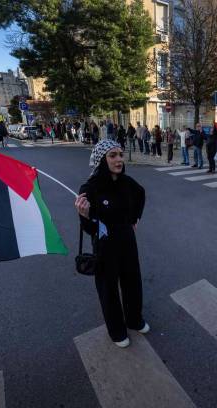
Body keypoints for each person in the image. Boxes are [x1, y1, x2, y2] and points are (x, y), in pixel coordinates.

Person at [75, 140, 148, 348]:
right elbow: (89, 229)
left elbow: (141, 194)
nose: (119, 160)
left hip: (127, 242)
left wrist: (134, 218)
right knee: (109, 290)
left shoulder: (127, 182)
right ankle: (116, 330)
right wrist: (85, 215)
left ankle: (134, 319)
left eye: (120, 154)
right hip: (105, 247)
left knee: (133, 282)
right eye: (113, 155)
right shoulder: (90, 188)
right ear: (101, 160)